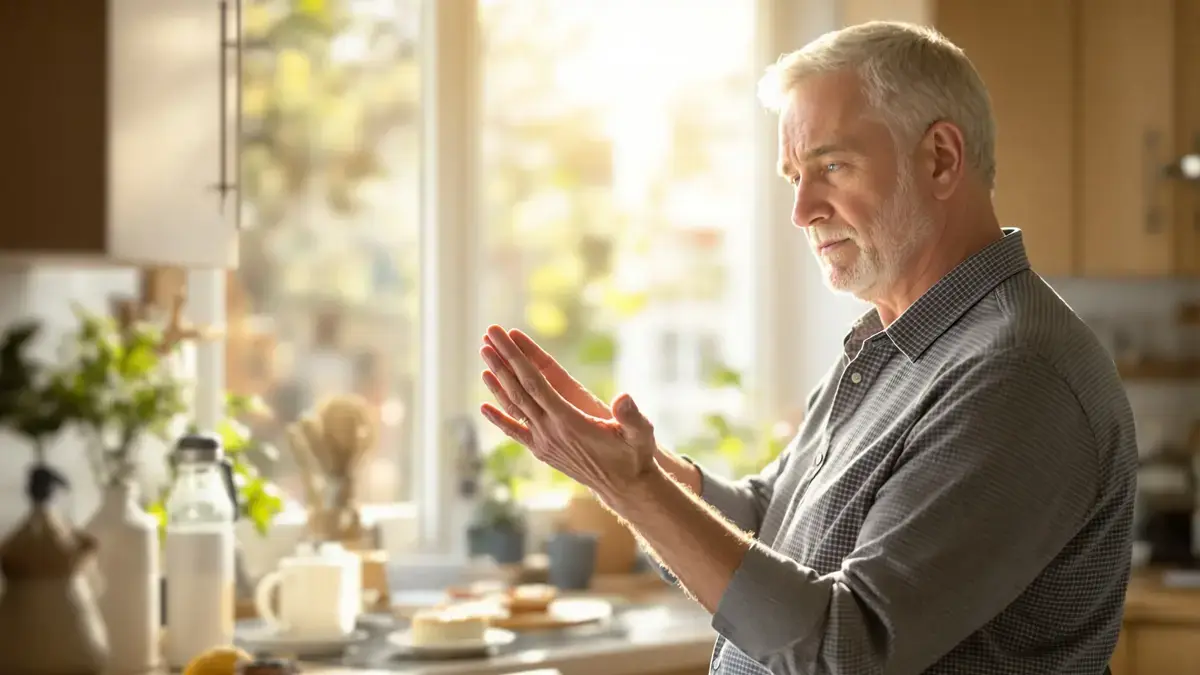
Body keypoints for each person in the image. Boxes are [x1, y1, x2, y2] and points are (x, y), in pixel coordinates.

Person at [477, 20, 1137, 675]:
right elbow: (776, 525)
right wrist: (631, 469)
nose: (802, 209)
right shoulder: (896, 338)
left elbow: (845, 650)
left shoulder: (1016, 375)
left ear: (939, 157)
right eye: (795, 174)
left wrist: (634, 487)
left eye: (832, 165)